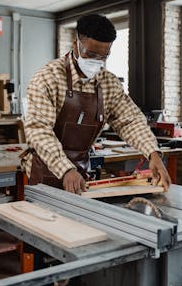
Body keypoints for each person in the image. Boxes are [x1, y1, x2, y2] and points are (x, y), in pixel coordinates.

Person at [22, 14, 171, 194]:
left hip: (81, 171)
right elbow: (39, 131)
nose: (96, 61)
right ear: (76, 43)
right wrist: (66, 169)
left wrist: (153, 154)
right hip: (45, 171)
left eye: (103, 56)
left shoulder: (108, 83)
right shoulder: (48, 78)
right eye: (91, 54)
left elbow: (130, 121)